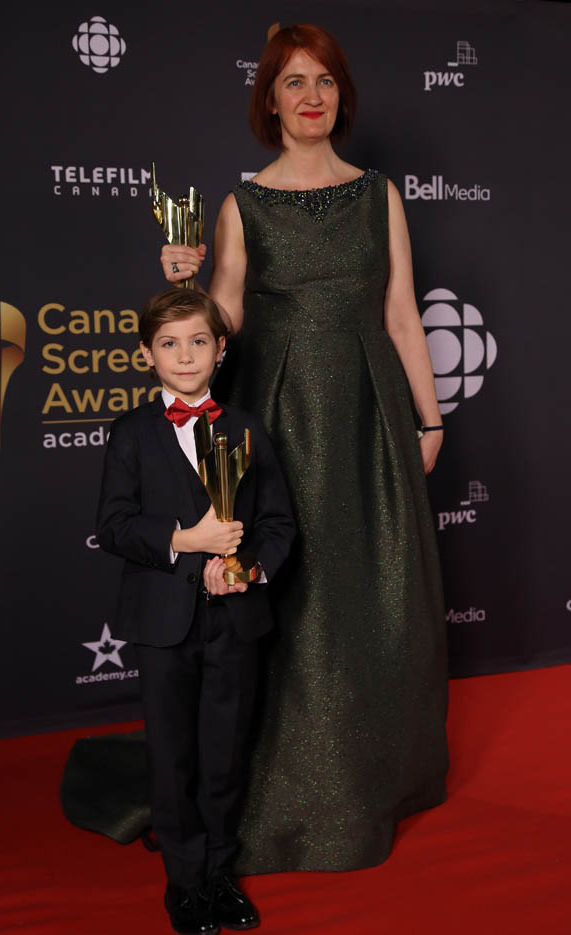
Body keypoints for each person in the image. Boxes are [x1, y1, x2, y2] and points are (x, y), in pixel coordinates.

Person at [158, 23, 449, 874]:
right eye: (293, 81)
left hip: (368, 412)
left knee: (370, 591)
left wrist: (430, 420)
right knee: (292, 595)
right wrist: (183, 282)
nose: (311, 95)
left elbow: (401, 314)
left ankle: (378, 770)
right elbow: (223, 320)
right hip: (277, 415)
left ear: (340, 96)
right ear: (269, 100)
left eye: (323, 79)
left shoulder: (379, 196)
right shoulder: (241, 205)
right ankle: (286, 783)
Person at [95, 288, 295, 935]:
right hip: (163, 624)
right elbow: (114, 526)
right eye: (169, 344)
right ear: (147, 354)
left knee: (224, 754)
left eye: (199, 342)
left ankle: (219, 872)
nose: (185, 356)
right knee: (174, 755)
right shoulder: (131, 433)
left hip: (235, 623)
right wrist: (186, 541)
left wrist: (248, 568)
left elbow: (277, 523)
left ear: (221, 349)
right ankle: (184, 881)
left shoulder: (246, 428)